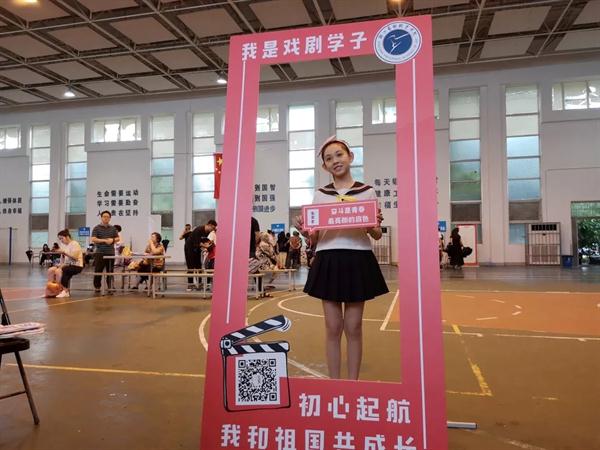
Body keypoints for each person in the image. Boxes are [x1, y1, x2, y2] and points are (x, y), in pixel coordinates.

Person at [296, 137, 388, 380]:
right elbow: (315, 238)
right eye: (329, 158)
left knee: (354, 327)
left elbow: (377, 233)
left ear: (350, 157)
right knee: (333, 327)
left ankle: (352, 385)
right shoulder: (320, 195)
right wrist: (305, 232)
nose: (335, 161)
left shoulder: (367, 191)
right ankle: (335, 385)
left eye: (339, 154)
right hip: (328, 259)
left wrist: (370, 225)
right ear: (324, 166)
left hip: (358, 258)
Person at [46, 229, 84, 298]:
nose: (61, 240)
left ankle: (63, 290)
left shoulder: (75, 244)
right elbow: (63, 259)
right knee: (50, 270)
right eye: (60, 239)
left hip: (76, 265)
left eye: (62, 238)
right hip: (67, 264)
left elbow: (75, 257)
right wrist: (59, 264)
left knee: (59, 271)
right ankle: (50, 291)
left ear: (67, 237)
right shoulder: (64, 245)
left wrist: (64, 253)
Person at [91, 210, 120, 293]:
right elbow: (93, 239)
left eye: (108, 217)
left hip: (110, 253)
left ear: (110, 218)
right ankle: (97, 286)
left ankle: (110, 286)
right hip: (100, 252)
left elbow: (118, 238)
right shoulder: (96, 228)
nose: (106, 218)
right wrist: (104, 240)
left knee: (110, 271)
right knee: (98, 270)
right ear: (101, 217)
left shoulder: (113, 228)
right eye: (104, 217)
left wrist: (112, 240)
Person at [189, 220, 217, 289]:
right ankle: (190, 284)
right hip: (189, 248)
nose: (213, 230)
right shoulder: (199, 230)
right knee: (191, 266)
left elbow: (205, 241)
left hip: (197, 249)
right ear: (209, 225)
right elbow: (197, 243)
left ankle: (199, 283)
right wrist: (207, 246)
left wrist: (210, 244)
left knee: (198, 266)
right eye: (213, 228)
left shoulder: (207, 232)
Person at [179, 224, 195, 291]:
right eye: (186, 228)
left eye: (188, 228)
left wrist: (187, 232)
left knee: (191, 267)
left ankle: (192, 283)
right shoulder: (185, 234)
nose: (187, 229)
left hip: (191, 251)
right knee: (189, 267)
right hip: (187, 250)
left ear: (190, 228)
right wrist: (183, 232)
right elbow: (180, 238)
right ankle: (191, 283)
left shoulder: (192, 233)